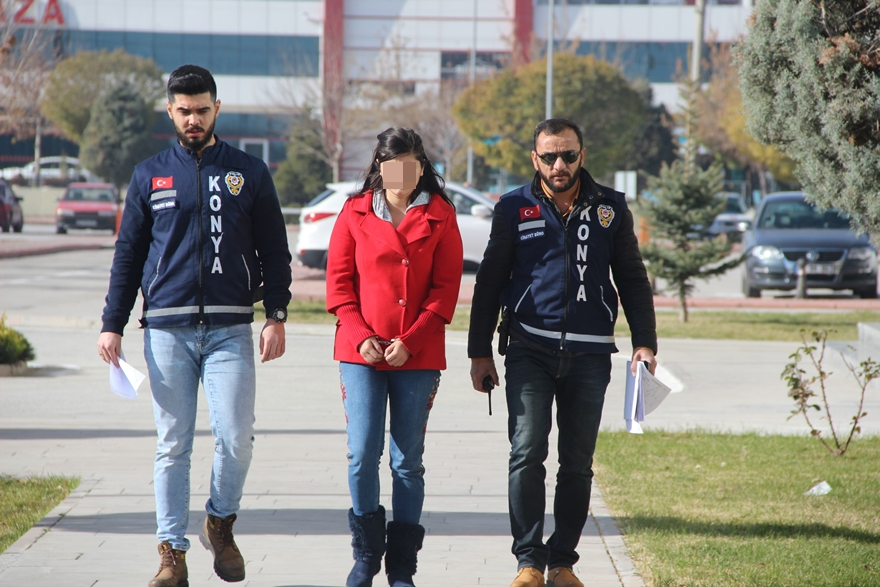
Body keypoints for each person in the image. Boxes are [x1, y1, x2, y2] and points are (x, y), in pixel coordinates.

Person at [96, 64, 292, 587]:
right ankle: (171, 553)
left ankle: (219, 522)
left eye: (202, 109)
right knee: (172, 443)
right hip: (165, 328)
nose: (193, 119)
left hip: (230, 328)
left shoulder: (250, 172)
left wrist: (276, 314)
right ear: (170, 111)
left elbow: (275, 250)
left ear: (217, 109)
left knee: (236, 438)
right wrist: (111, 323)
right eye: (184, 110)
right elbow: (128, 255)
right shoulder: (148, 175)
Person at [467, 118, 657, 587]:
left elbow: (632, 278)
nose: (559, 164)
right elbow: (490, 280)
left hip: (592, 355)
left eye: (568, 155)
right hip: (530, 348)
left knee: (577, 462)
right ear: (535, 159)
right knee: (527, 451)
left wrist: (645, 343)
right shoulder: (513, 207)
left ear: (581, 156)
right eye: (549, 156)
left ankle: (562, 563)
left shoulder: (610, 208)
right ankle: (528, 562)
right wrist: (479, 352)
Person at [326, 127, 463, 587]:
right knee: (362, 452)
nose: (400, 174)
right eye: (391, 165)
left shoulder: (442, 215)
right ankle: (366, 554)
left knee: (407, 461)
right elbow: (339, 284)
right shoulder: (354, 211)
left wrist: (412, 339)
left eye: (409, 164)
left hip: (417, 354)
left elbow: (446, 291)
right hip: (360, 351)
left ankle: (402, 565)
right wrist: (361, 334)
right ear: (380, 167)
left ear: (421, 166)